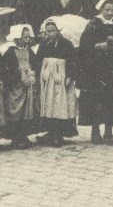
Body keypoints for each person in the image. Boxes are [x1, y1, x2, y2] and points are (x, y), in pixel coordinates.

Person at [78, 0, 113, 144]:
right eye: (107, 10)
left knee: (112, 99)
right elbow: (84, 45)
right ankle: (95, 132)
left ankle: (109, 132)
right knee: (96, 99)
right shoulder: (93, 24)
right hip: (96, 68)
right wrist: (97, 46)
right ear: (101, 9)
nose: (110, 13)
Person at [34, 17, 78, 146]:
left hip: (61, 78)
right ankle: (51, 132)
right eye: (47, 31)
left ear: (59, 30)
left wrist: (70, 76)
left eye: (53, 30)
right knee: (49, 105)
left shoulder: (67, 44)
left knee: (61, 104)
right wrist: (39, 75)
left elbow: (73, 62)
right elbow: (38, 60)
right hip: (47, 79)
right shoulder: (43, 44)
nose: (50, 33)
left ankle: (58, 134)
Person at [0, 24, 39, 149]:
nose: (27, 35)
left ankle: (23, 135)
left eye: (28, 32)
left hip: (28, 86)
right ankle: (15, 136)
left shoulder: (29, 50)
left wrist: (33, 72)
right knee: (15, 110)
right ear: (17, 36)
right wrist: (19, 75)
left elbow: (35, 64)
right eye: (24, 33)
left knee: (26, 110)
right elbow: (6, 70)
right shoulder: (10, 52)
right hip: (16, 86)